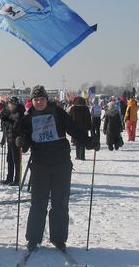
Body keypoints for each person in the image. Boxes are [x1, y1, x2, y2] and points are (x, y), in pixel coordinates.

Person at [16, 85, 96, 253]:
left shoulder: (58, 113)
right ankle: (33, 238)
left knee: (60, 203)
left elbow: (74, 129)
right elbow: (25, 142)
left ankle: (59, 238)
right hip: (40, 165)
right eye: (36, 100)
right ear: (32, 101)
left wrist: (89, 142)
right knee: (38, 203)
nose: (39, 102)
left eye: (42, 99)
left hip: (61, 164)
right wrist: (21, 142)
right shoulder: (27, 119)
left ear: (46, 100)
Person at [0, 97, 26, 183]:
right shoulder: (7, 113)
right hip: (9, 140)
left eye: (13, 104)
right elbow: (5, 129)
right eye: (10, 104)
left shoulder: (19, 114)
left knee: (16, 160)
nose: (11, 106)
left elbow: (16, 127)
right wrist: (3, 140)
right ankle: (9, 178)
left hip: (17, 140)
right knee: (9, 159)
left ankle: (17, 179)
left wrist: (9, 120)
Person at [69, 96, 92, 160]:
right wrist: (89, 126)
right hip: (84, 128)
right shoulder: (86, 108)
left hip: (75, 128)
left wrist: (70, 127)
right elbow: (89, 118)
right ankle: (82, 156)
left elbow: (69, 118)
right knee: (83, 142)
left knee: (77, 142)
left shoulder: (72, 109)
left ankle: (78, 156)